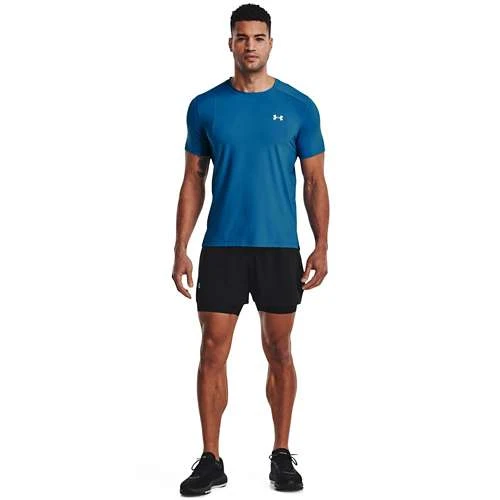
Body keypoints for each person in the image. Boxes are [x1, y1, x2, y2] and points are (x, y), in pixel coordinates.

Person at [172, 3, 329, 495]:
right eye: (242, 37)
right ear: (230, 43)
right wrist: (180, 247)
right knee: (211, 349)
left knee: (279, 349)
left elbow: (315, 182)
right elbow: (193, 179)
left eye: (258, 37)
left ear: (270, 43)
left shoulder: (300, 106)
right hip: (222, 247)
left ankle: (281, 454)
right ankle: (211, 459)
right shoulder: (205, 106)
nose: (250, 45)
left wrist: (322, 245)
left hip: (279, 247)